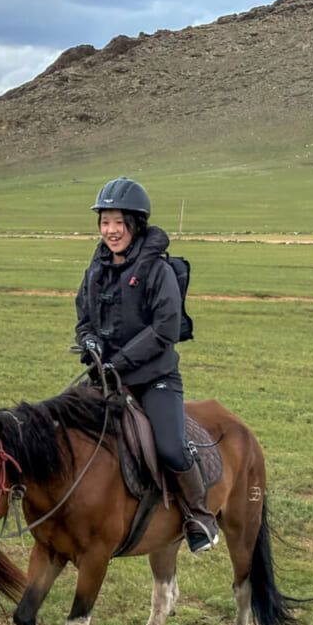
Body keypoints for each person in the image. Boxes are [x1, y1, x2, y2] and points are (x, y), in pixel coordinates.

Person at [74, 177, 218, 553]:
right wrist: (88, 341)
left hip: (154, 378)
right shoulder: (96, 268)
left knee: (170, 447)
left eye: (119, 222)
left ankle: (199, 515)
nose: (111, 231)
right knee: (62, 424)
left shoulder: (158, 271)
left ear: (135, 224)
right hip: (106, 377)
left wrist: (119, 360)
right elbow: (84, 317)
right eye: (105, 222)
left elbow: (165, 330)